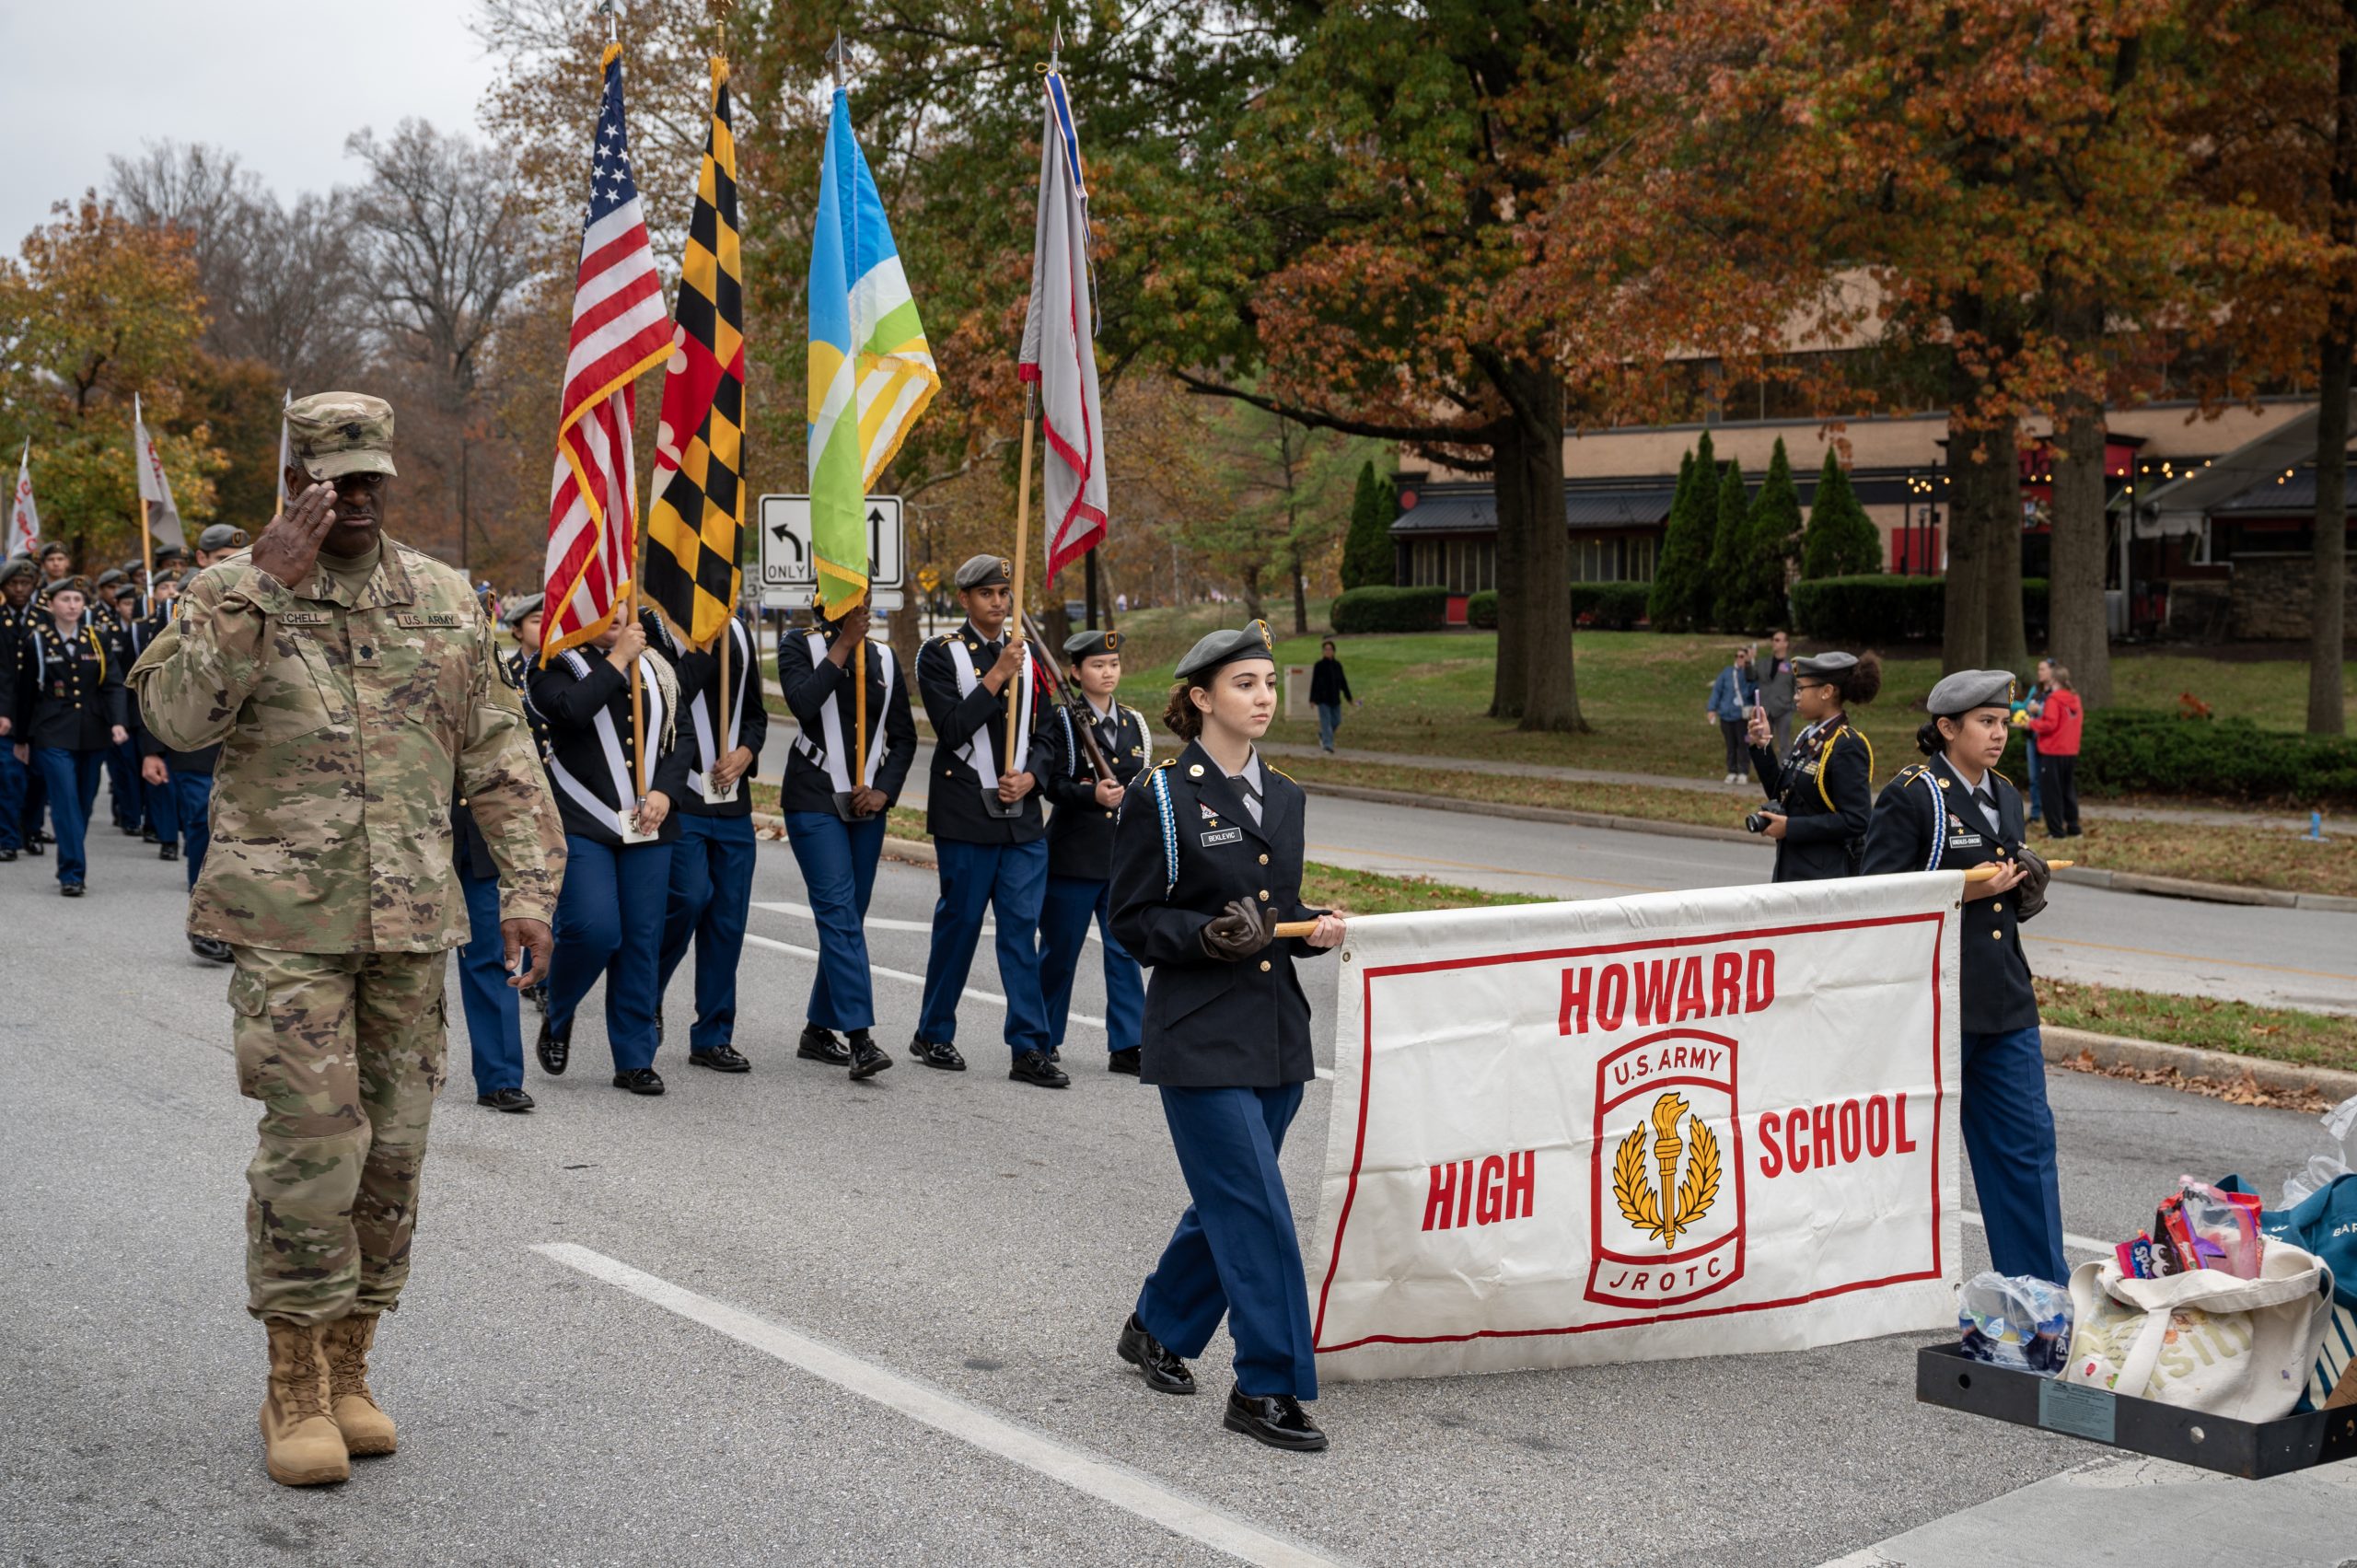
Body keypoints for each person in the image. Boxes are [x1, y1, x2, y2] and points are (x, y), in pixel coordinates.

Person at [131, 390, 562, 1488]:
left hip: (411, 919)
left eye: (373, 477)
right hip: (287, 928)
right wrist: (256, 586)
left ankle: (353, 1361)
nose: (359, 498)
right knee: (314, 1149)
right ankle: (292, 1382)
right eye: (336, 480)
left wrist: (530, 885)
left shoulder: (444, 596)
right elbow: (174, 723)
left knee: (396, 1155)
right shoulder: (234, 591)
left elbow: (500, 749)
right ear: (295, 485)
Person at [1109, 621, 1344, 1452]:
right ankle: (1266, 1382)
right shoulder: (1162, 796)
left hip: (1277, 1031)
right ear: (1201, 698)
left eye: (1270, 683)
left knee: (1230, 1202)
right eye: (1245, 683)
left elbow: (1273, 904)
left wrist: (1309, 925)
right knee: (1258, 1208)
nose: (1264, 697)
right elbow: (1131, 919)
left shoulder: (1286, 795)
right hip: (1198, 1031)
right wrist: (1204, 937)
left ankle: (1157, 1323)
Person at [1861, 669, 2065, 1285]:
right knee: (1897, 1158)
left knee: (2027, 1152)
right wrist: (1966, 888)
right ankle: (1860, 1281)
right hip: (1933, 1000)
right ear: (1947, 728)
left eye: (2003, 722)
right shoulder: (1914, 794)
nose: (1999, 733)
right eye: (1985, 722)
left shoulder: (2006, 794)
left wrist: (2025, 889)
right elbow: (1877, 897)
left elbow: (2006, 905)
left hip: (2002, 999)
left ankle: (2039, 1300)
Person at [912, 553, 1062, 1086]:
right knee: (961, 926)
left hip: (1021, 818)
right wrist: (998, 674)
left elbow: (1047, 733)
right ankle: (933, 1030)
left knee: (1021, 931)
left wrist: (1033, 777)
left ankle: (1029, 1046)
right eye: (986, 594)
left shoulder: (1032, 658)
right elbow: (951, 728)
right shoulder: (940, 655)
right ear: (965, 600)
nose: (998, 603)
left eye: (1004, 594)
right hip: (965, 814)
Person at [528, 609, 689, 1097]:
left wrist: (666, 791)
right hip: (582, 820)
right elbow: (572, 711)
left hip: (647, 823)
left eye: (624, 607)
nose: (620, 616)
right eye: (606, 607)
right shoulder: (552, 666)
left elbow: (680, 738)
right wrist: (617, 658)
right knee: (594, 930)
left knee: (641, 940)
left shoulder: (656, 666)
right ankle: (559, 1008)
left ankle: (635, 1058)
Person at [777, 595, 918, 1079]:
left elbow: (904, 737)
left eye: (866, 597)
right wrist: (842, 648)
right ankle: (860, 1038)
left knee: (849, 919)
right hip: (814, 798)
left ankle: (818, 1028)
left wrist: (885, 791)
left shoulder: (882, 657)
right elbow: (800, 702)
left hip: (864, 805)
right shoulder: (799, 645)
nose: (861, 606)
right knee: (838, 914)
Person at [645, 599, 768, 1074]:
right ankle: (644, 998)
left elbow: (755, 713)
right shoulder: (652, 629)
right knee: (689, 897)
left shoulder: (737, 630)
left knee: (727, 920)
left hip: (730, 799)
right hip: (680, 797)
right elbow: (671, 691)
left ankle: (713, 1034)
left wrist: (746, 751)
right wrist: (704, 643)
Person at [1038, 628, 1150, 1074]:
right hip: (1073, 855)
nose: (1108, 672)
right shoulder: (1062, 721)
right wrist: (1092, 797)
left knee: (1124, 951)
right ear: (1076, 672)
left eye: (1114, 664)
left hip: (1120, 857)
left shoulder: (1134, 724)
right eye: (1098, 665)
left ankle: (1128, 1043)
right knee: (1059, 951)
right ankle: (1043, 1036)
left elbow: (1142, 785)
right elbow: (1052, 785)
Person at [139, 524, 250, 956]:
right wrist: (152, 752)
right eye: (221, 560)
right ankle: (204, 924)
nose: (231, 569)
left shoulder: (258, 608)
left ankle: (236, 923)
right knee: (203, 834)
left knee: (240, 839)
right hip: (195, 748)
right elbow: (154, 687)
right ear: (202, 560)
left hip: (243, 748)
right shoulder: (185, 612)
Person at [6, 577, 128, 895]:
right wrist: (21, 739)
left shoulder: (97, 639)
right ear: (50, 605)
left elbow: (113, 685)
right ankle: (72, 873)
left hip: (94, 731)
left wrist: (118, 722)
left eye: (77, 599)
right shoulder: (36, 641)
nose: (72, 605)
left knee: (84, 802)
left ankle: (71, 854)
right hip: (51, 732)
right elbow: (26, 693)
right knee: (65, 801)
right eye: (65, 599)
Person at [1744, 651, 1881, 882]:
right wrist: (1763, 745)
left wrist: (1792, 828)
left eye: (1800, 689)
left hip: (1824, 877)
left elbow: (1857, 820)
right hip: (1792, 869)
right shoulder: (1809, 737)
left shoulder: (1846, 745)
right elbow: (1782, 795)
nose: (1796, 697)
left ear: (1826, 692)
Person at [0, 556, 44, 862]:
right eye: (14, 583)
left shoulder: (45, 619)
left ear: (33, 586)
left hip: (40, 712)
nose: (19, 588)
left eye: (25, 583)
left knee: (39, 775)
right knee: (8, 775)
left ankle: (32, 828)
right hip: (6, 712)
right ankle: (7, 837)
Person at [2025, 662, 2082, 839]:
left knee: (2051, 792)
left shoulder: (2054, 700)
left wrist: (2031, 724)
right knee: (2067, 790)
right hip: (2070, 751)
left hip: (2052, 750)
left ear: (2055, 681)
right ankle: (2073, 827)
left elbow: (2050, 724)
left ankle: (2056, 831)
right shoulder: (2075, 699)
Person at [1706, 645, 1759, 785]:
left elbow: (1753, 690)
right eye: (1738, 656)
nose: (1739, 659)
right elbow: (1717, 690)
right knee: (1730, 745)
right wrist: (1712, 709)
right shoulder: (1727, 672)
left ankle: (1743, 771)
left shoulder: (1750, 673)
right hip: (1726, 715)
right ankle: (1732, 770)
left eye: (1743, 656)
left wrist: (1750, 664)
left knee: (1743, 745)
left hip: (1741, 717)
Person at [1307, 638, 1357, 754]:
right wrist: (1312, 699)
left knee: (1337, 721)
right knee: (1326, 723)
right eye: (1326, 649)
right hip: (1323, 700)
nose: (1328, 651)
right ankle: (1328, 746)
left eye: (1330, 649)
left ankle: (1322, 735)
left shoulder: (1337, 666)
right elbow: (1314, 683)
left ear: (1334, 651)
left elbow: (1343, 683)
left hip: (1335, 699)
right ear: (1323, 651)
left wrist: (1349, 698)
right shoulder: (1319, 666)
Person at [1757, 630, 1796, 755]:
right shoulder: (1764, 662)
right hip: (1766, 708)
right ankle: (1769, 773)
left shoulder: (1792, 664)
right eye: (1773, 640)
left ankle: (1784, 773)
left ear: (1786, 643)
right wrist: (1748, 662)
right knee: (1765, 743)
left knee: (1784, 744)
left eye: (1777, 640)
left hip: (1784, 709)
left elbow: (1797, 685)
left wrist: (1793, 705)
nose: (1774, 642)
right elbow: (1751, 676)